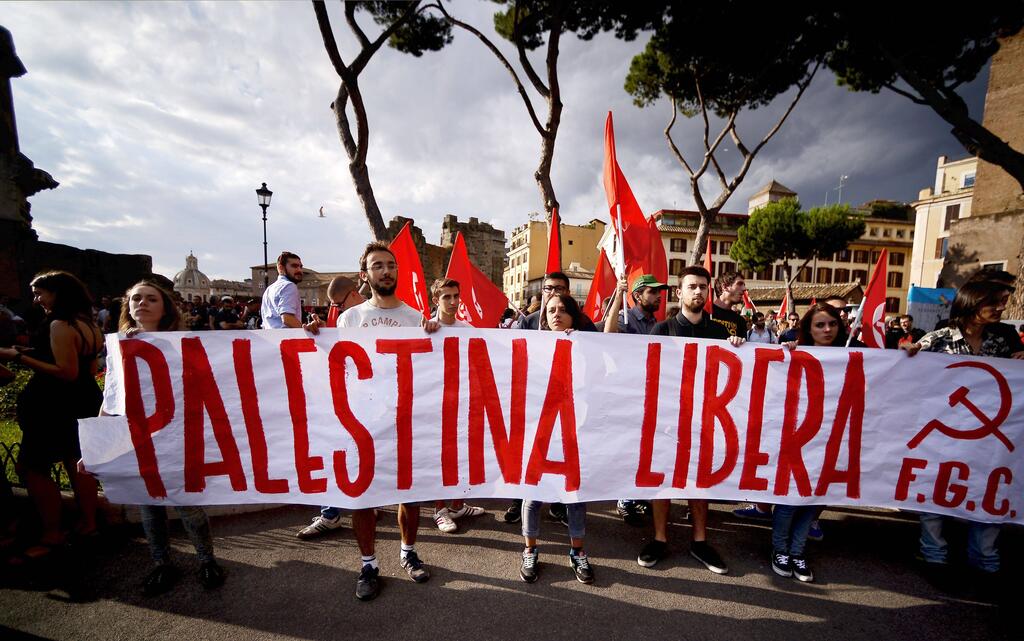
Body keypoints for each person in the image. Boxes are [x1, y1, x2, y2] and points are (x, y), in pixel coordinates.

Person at [102, 280, 226, 595]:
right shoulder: (119, 347)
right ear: (127, 306)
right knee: (149, 505)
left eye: (151, 299)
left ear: (164, 307)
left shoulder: (179, 344)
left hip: (175, 436)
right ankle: (161, 564)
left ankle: (207, 560)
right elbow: (111, 396)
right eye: (136, 299)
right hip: (137, 437)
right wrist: (97, 442)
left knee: (187, 503)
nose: (142, 304)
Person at [338, 242, 441, 601]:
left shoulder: (416, 318)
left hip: (405, 422)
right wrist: (313, 338)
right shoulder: (351, 319)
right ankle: (368, 564)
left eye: (391, 265)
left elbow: (432, 367)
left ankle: (408, 552)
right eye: (377, 266)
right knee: (362, 498)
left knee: (410, 495)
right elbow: (337, 368)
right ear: (365, 275)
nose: (386, 271)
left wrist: (436, 336)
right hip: (363, 422)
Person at [903, 280, 1022, 587]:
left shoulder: (1005, 339)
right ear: (972, 303)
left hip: (992, 438)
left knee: (988, 494)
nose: (1000, 309)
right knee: (936, 494)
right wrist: (908, 355)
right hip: (945, 436)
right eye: (993, 302)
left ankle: (985, 560)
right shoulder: (939, 338)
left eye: (1003, 303)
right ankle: (935, 557)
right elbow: (907, 371)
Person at [637, 266, 745, 575]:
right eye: (692, 286)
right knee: (663, 479)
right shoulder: (662, 330)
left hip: (706, 420)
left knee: (701, 482)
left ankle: (700, 541)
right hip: (669, 420)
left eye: (702, 287)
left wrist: (738, 349)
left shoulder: (720, 333)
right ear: (679, 292)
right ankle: (659, 538)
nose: (698, 291)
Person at [0, 272, 102, 561]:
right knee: (76, 462)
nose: (36, 299)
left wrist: (17, 357)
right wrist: (34, 352)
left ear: (58, 293)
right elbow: (90, 369)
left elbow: (66, 372)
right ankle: (88, 524)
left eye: (40, 293)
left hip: (53, 403)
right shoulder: (88, 325)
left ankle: (52, 534)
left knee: (33, 467)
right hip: (84, 398)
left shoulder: (59, 324)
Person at [504, 271, 596, 525]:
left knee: (562, 461)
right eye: (548, 289)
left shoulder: (582, 326)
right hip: (535, 408)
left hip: (569, 409)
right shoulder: (529, 322)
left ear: (567, 294)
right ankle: (519, 505)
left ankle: (559, 507)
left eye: (559, 289)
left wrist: (576, 343)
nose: (553, 294)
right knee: (528, 466)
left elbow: (600, 353)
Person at [769, 303, 848, 583]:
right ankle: (780, 550)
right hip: (799, 437)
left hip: (833, 439)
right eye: (819, 325)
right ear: (808, 329)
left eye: (832, 324)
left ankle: (798, 551)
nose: (827, 330)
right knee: (791, 499)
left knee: (814, 501)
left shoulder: (855, 353)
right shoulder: (794, 353)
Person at [519, 292, 594, 585]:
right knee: (533, 494)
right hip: (539, 430)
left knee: (574, 494)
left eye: (563, 309)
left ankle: (577, 552)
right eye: (550, 310)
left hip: (574, 430)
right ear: (544, 317)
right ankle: (530, 550)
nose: (556, 314)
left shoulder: (587, 346)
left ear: (573, 315)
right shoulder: (533, 347)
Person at [294, 275, 363, 541]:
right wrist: (321, 334)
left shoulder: (374, 315)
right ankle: (330, 513)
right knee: (331, 452)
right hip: (348, 398)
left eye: (339, 303)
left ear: (353, 294)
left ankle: (369, 502)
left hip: (374, 401)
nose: (338, 310)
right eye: (333, 306)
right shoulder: (345, 319)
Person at [603, 274, 669, 526]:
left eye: (659, 292)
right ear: (638, 295)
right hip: (627, 394)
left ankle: (636, 494)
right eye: (653, 292)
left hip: (649, 393)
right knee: (629, 448)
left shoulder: (658, 323)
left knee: (646, 448)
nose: (658, 296)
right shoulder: (626, 318)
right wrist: (618, 300)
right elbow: (608, 335)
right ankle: (623, 499)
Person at [428, 278, 486, 533]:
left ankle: (458, 504)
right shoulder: (426, 328)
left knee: (463, 456)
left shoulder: (467, 329)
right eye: (446, 297)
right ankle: (439, 509)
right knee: (443, 458)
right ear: (436, 300)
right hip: (436, 405)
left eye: (455, 296)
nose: (452, 302)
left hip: (463, 402)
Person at [260, 251, 322, 333]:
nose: (299, 270)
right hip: (287, 340)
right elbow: (287, 318)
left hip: (271, 340)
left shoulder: (268, 290)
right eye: (294, 266)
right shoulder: (289, 286)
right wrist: (308, 331)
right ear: (281, 268)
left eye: (300, 267)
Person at [710, 271, 748, 338]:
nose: (744, 289)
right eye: (739, 284)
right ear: (724, 287)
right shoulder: (704, 313)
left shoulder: (740, 321)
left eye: (744, 285)